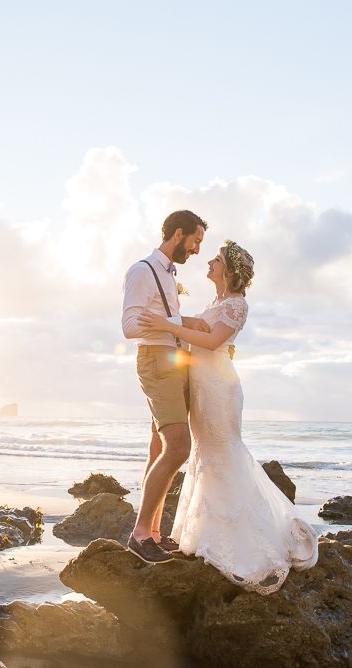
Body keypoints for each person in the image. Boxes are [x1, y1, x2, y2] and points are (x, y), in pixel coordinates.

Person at [136, 240, 318, 593]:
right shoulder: (215, 303)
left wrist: (168, 325)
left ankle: (246, 540)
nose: (209, 261)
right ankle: (207, 534)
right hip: (202, 386)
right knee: (203, 453)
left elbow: (210, 340)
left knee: (223, 452)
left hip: (220, 389)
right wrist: (168, 323)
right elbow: (197, 332)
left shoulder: (237, 305)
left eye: (216, 260)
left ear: (230, 271)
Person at [121, 210, 209, 564]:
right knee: (178, 447)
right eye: (195, 241)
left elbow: (164, 321)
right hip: (156, 361)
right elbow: (129, 326)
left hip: (172, 361)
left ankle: (153, 533)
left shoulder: (168, 275)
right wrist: (178, 322)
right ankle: (139, 534)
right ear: (178, 234)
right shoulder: (143, 270)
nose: (198, 250)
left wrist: (178, 324)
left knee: (158, 445)